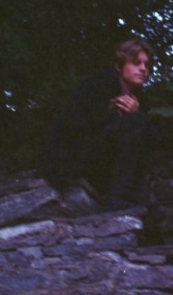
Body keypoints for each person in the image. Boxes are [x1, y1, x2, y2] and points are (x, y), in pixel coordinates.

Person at [38, 39, 156, 210]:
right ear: (119, 66)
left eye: (146, 64)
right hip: (72, 157)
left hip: (102, 161)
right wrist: (120, 116)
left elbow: (149, 138)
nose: (143, 69)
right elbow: (76, 125)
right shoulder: (100, 83)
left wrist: (134, 115)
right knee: (136, 122)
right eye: (136, 63)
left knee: (144, 126)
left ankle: (136, 198)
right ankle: (117, 198)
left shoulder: (139, 98)